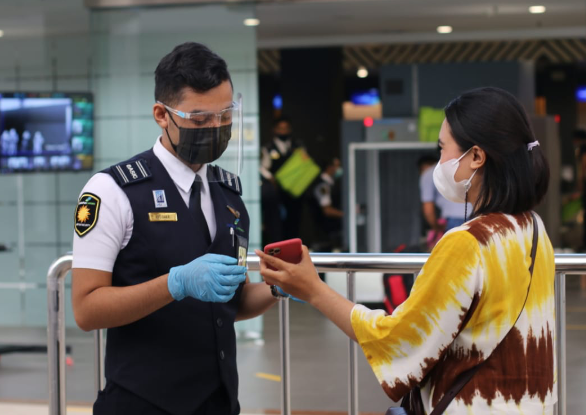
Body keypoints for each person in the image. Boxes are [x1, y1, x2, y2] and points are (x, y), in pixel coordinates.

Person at [257, 87, 555, 414]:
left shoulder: (467, 243)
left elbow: (397, 339)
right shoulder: (534, 228)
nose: (438, 161)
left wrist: (314, 290)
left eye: (443, 148)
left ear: (476, 157)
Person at [72, 42, 284, 415]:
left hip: (218, 402)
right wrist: (174, 283)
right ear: (161, 114)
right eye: (200, 120)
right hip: (142, 402)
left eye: (225, 116)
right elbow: (87, 309)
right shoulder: (113, 191)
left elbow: (229, 304)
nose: (215, 128)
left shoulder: (228, 193)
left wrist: (279, 286)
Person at [260, 117, 302, 243]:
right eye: (280, 128)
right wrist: (271, 179)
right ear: (274, 130)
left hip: (294, 191)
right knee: (275, 224)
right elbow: (263, 168)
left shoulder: (298, 145)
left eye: (286, 128)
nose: (283, 131)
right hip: (276, 192)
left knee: (294, 222)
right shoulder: (268, 148)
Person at [418, 154, 472, 250]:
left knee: (454, 259)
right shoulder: (467, 167)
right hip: (477, 215)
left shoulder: (429, 174)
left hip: (453, 221)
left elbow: (428, 209)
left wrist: (436, 226)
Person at [310, 156, 343, 252]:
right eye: (337, 166)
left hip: (330, 232)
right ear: (329, 167)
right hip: (324, 234)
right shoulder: (323, 186)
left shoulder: (331, 184)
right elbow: (327, 210)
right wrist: (345, 215)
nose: (339, 169)